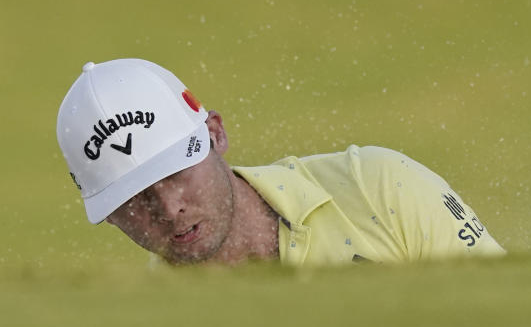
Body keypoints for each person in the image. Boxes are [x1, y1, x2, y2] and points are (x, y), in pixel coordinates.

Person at [56, 58, 505, 266]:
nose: (168, 208)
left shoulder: (379, 186)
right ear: (111, 217)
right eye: (135, 200)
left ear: (215, 134)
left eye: (175, 173)